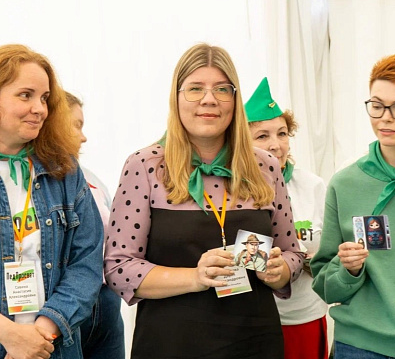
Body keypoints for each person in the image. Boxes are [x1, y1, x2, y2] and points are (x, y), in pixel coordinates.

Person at [104, 43, 303, 359]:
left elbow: (292, 253)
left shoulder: (265, 166)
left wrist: (280, 271)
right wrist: (195, 277)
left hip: (255, 343)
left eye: (222, 89)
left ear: (234, 100)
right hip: (171, 345)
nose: (209, 99)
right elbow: (119, 268)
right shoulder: (144, 166)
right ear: (176, 98)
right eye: (195, 88)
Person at [0, 44, 104, 359]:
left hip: (53, 348)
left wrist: (42, 334)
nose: (40, 109)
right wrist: (10, 336)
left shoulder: (64, 170)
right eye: (25, 95)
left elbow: (87, 262)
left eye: (44, 98)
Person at [310, 53, 395, 358]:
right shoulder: (345, 184)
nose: (385, 117)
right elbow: (324, 285)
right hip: (361, 346)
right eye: (377, 105)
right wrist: (348, 269)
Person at [245, 77, 329, 359]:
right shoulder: (235, 191)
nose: (275, 145)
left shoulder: (313, 185)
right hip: (253, 320)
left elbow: (330, 251)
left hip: (305, 315)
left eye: (282, 134)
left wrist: (317, 260)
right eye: (262, 136)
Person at [65, 92, 125, 359]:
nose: (83, 137)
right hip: (68, 303)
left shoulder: (93, 180)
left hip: (106, 299)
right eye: (76, 125)